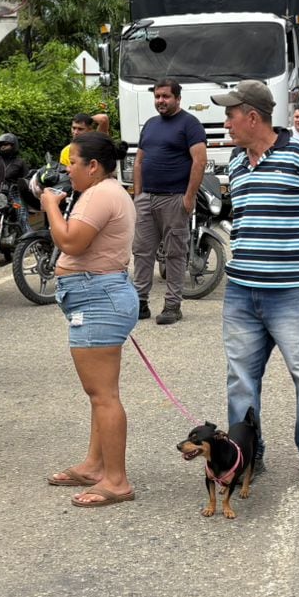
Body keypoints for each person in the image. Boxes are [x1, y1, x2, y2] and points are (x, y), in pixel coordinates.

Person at [215, 80, 299, 485]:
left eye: (231, 115)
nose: (226, 123)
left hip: (294, 290)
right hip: (241, 289)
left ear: (252, 117)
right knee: (240, 378)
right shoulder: (235, 163)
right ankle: (247, 455)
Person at [43, 130, 139, 507]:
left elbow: (70, 242)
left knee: (104, 396)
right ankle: (95, 464)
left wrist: (51, 204)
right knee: (99, 394)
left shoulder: (100, 194)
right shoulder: (105, 192)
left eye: (73, 165)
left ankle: (116, 480)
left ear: (93, 166)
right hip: (98, 295)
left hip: (98, 298)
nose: (69, 173)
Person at [131, 79, 208, 326]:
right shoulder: (151, 125)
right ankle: (140, 302)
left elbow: (199, 162)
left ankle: (173, 305)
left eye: (165, 96)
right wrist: (139, 194)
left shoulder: (190, 124)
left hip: (174, 199)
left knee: (175, 254)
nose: (161, 101)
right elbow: (139, 161)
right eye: (157, 97)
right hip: (147, 199)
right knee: (142, 251)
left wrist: (188, 197)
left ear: (177, 98)